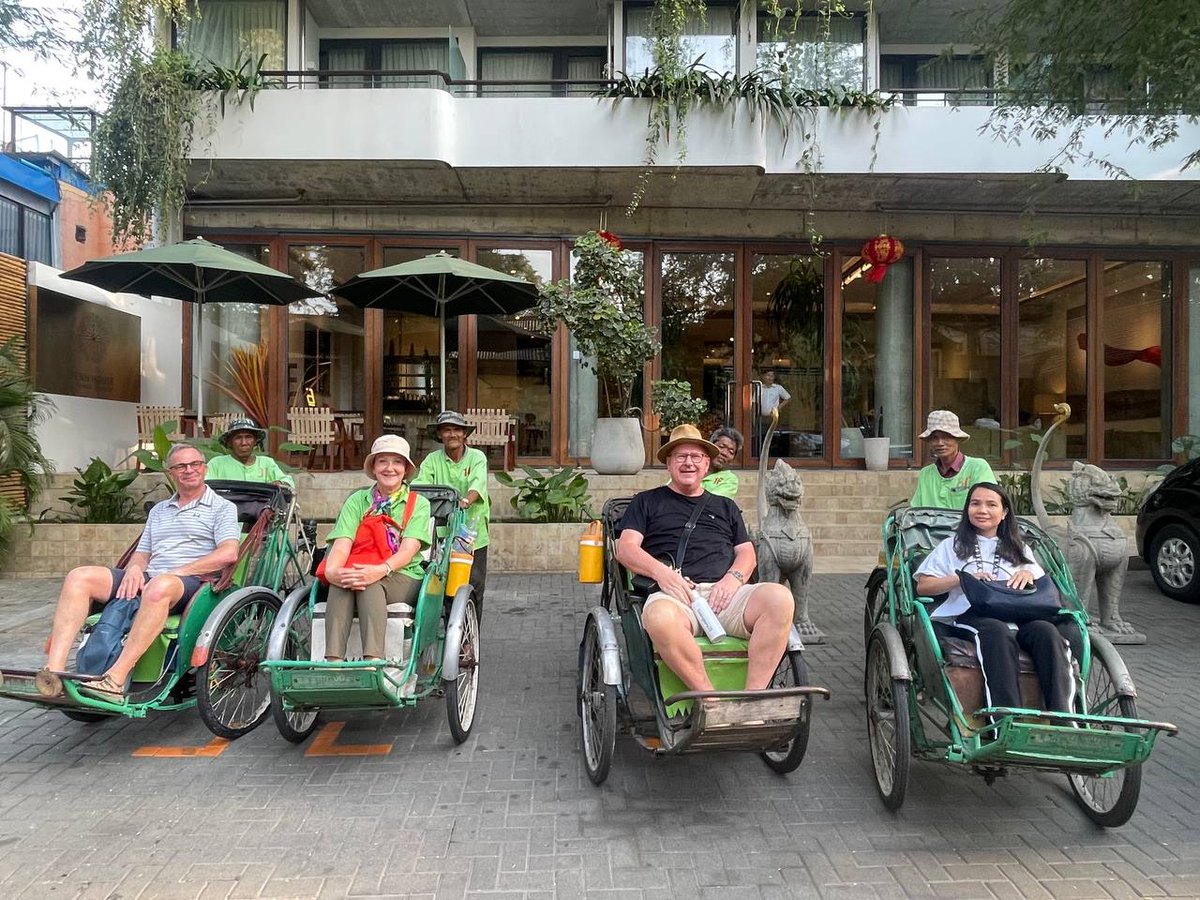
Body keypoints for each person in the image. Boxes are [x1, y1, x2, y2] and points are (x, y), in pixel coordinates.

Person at [44, 444, 241, 702]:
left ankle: (115, 679)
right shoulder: (160, 510)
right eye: (181, 466)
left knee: (159, 586)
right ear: (171, 473)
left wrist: (178, 571)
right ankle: (53, 672)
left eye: (195, 464)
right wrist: (134, 569)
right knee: (79, 577)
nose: (189, 470)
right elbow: (142, 552)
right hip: (151, 575)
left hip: (192, 582)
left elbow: (228, 554)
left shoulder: (222, 507)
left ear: (204, 468)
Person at [616, 424, 794, 692]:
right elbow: (626, 548)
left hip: (727, 596)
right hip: (676, 596)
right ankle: (709, 700)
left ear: (707, 463)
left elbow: (746, 552)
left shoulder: (725, 506)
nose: (688, 462)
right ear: (669, 465)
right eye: (680, 456)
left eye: (695, 456)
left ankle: (753, 698)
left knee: (779, 598)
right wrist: (663, 575)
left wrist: (733, 580)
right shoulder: (646, 502)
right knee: (659, 617)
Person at [915, 482, 1081, 714]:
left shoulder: (1018, 547)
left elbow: (1041, 584)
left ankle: (1064, 718)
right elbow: (923, 586)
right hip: (970, 614)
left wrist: (1027, 573)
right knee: (995, 632)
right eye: (975, 504)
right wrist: (962, 579)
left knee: (1047, 632)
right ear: (968, 510)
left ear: (1004, 513)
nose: (982, 510)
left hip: (1019, 613)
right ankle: (1005, 718)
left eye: (991, 504)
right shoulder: (950, 546)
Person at [322, 435, 432, 662]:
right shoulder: (357, 501)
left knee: (368, 584)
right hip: (363, 566)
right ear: (373, 467)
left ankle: (373, 660)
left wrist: (379, 570)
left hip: (403, 574)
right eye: (382, 461)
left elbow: (408, 550)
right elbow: (343, 543)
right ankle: (332, 661)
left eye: (397, 462)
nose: (390, 468)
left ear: (405, 469)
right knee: (341, 582)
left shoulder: (418, 503)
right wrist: (333, 572)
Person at [413, 410, 491, 618]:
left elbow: (477, 485)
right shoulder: (432, 459)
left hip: (472, 534)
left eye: (457, 429)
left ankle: (468, 641)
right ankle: (449, 638)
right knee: (442, 583)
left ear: (464, 434)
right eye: (447, 430)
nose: (452, 434)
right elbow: (420, 486)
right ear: (440, 435)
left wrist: (465, 501)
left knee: (473, 586)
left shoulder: (477, 457)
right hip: (440, 533)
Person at [911, 409, 997, 509]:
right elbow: (916, 510)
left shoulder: (978, 468)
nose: (940, 443)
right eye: (934, 438)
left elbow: (987, 508)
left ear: (957, 439)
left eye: (946, 437)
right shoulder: (926, 473)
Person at [206, 417, 295, 488]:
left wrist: (280, 483)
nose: (244, 442)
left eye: (248, 437)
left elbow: (288, 482)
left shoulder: (267, 463)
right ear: (229, 442)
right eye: (238, 437)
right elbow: (204, 486)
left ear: (255, 441)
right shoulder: (216, 464)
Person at [703, 426, 743, 499]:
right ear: (710, 446)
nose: (724, 453)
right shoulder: (694, 468)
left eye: (731, 452)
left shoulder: (729, 480)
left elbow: (713, 503)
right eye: (721, 447)